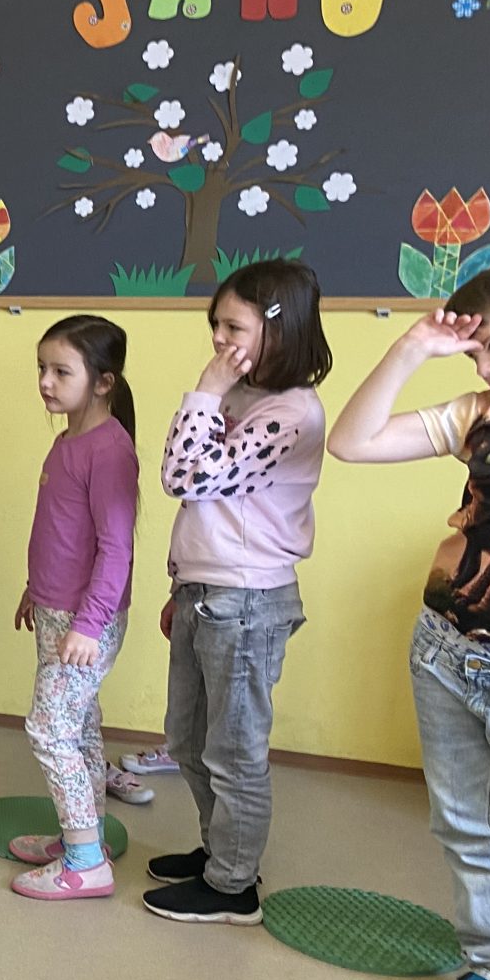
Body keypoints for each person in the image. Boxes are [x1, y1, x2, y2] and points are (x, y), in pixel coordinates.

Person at [146, 259, 329, 925]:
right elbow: (198, 497)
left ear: (281, 329)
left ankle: (232, 886)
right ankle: (220, 851)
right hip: (205, 590)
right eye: (216, 326)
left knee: (234, 751)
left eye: (233, 327)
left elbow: (185, 477)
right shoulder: (240, 396)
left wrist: (204, 389)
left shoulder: (293, 412)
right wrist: (180, 582)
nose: (219, 340)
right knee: (187, 739)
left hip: (247, 602)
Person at [328, 290, 490, 980]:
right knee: (464, 825)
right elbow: (352, 441)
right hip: (446, 650)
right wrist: (413, 349)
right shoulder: (476, 414)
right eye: (475, 351)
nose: (482, 366)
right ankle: (488, 964)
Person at [8, 316, 139, 900]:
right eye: (42, 368)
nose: (45, 382)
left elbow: (116, 549)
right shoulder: (68, 442)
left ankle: (85, 862)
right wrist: (35, 588)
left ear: (103, 381)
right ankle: (84, 837)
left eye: (61, 371)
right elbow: (63, 535)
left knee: (49, 728)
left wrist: (89, 624)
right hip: (58, 610)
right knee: (79, 726)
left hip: (86, 620)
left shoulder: (109, 451)